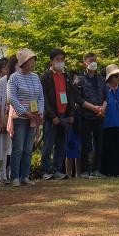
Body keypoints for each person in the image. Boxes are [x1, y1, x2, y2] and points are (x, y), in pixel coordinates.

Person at [8, 48, 44, 186]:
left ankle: (25, 176)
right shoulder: (14, 77)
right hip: (20, 118)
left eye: (34, 59)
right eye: (30, 60)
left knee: (29, 148)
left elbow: (40, 97)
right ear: (23, 62)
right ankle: (15, 177)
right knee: (18, 148)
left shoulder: (35, 77)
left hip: (33, 118)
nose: (33, 62)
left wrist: (39, 113)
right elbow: (11, 97)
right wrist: (25, 112)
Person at [40, 49, 73, 180]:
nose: (60, 62)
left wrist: (71, 114)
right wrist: (52, 116)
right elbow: (44, 99)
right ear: (51, 61)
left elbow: (71, 96)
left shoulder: (66, 76)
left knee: (61, 145)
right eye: (57, 59)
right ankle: (45, 170)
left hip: (65, 115)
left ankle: (58, 169)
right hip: (51, 117)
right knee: (48, 145)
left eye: (62, 60)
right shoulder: (45, 77)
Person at [74, 53, 107, 179]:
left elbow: (106, 97)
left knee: (99, 143)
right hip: (85, 116)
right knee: (86, 144)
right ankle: (84, 170)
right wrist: (94, 108)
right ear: (85, 63)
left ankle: (97, 169)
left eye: (95, 60)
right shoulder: (79, 80)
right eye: (91, 61)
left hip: (99, 116)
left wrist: (102, 109)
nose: (93, 63)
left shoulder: (101, 80)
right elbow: (79, 99)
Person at [101, 64, 119, 176]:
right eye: (115, 76)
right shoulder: (104, 89)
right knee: (108, 148)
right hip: (107, 123)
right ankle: (108, 172)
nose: (118, 78)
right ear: (109, 77)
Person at [0, 57, 13, 184]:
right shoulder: (1, 82)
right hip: (3, 118)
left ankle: (12, 174)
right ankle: (2, 175)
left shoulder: (18, 79)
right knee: (2, 147)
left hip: (16, 118)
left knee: (13, 147)